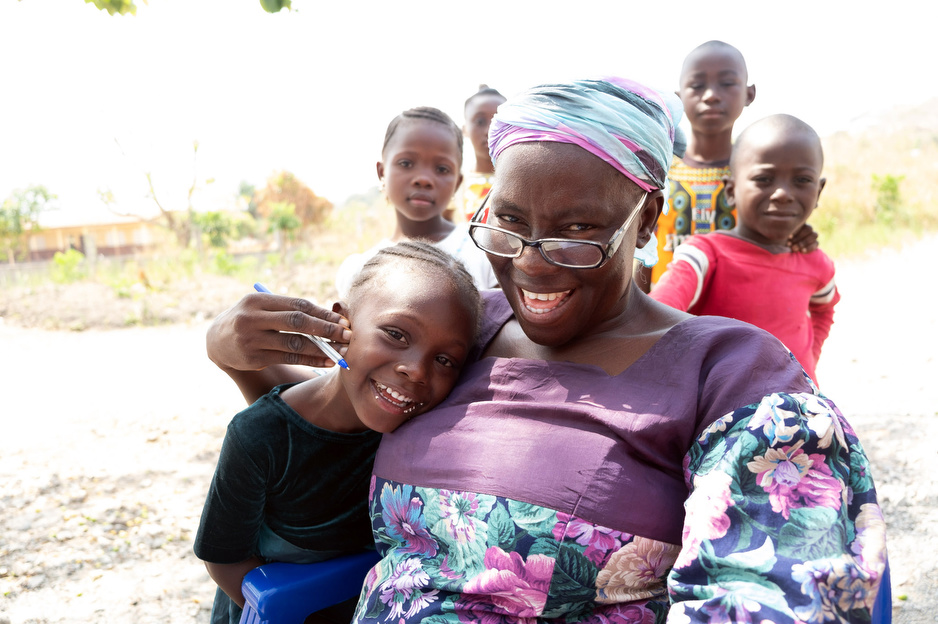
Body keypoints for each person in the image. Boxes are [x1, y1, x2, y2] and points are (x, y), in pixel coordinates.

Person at [206, 77, 888, 623]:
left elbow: (767, 591)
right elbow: (329, 413)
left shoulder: (731, 372)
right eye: (508, 223)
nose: (532, 265)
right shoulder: (463, 336)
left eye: (576, 231)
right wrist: (231, 350)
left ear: (646, 219)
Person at [195, 241, 483, 624]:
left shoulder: (415, 430)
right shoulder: (259, 435)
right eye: (396, 334)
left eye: (444, 359)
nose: (416, 369)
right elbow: (224, 560)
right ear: (340, 327)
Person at [651, 115, 839, 386]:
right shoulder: (705, 255)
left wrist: (808, 358)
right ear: (731, 190)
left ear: (818, 192)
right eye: (764, 179)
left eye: (801, 180)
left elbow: (825, 308)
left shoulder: (815, 262)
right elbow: (661, 309)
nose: (783, 193)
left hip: (797, 409)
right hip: (726, 415)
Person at [636, 40, 818, 293]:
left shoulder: (760, 178)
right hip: (668, 317)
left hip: (741, 313)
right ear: (679, 98)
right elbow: (645, 252)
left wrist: (798, 234)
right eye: (697, 86)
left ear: (749, 94)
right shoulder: (657, 174)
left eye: (727, 83)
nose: (711, 95)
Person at [334, 107, 497, 298]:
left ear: (457, 183)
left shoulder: (484, 251)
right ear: (382, 173)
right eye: (406, 164)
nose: (423, 179)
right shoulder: (358, 271)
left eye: (442, 169)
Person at [457, 84, 507, 222]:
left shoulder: (526, 182)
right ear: (465, 129)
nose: (490, 130)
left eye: (499, 121)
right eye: (480, 121)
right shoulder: (453, 186)